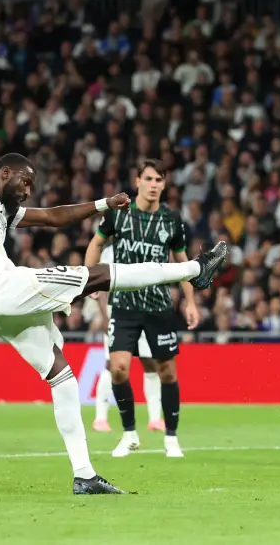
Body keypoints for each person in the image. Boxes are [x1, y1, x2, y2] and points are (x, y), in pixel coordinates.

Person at [0, 153, 227, 494]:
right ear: (4, 173)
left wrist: (104, 204)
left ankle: (84, 475)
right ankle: (195, 270)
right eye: (25, 181)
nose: (28, 189)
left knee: (62, 377)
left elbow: (55, 217)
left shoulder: (1, 209)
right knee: (98, 275)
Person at [85, 160, 200, 458]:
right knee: (119, 370)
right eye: (148, 178)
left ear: (164, 184)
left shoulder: (171, 219)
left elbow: (182, 262)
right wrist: (90, 279)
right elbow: (96, 244)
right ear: (137, 181)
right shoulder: (119, 213)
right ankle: (129, 434)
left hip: (159, 306)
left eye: (159, 179)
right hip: (123, 305)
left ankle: (171, 438)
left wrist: (190, 301)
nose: (153, 184)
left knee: (167, 373)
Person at [91, 238, 167, 435]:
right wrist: (105, 316)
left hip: (144, 311)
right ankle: (100, 418)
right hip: (117, 313)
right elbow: (102, 286)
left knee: (150, 362)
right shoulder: (110, 251)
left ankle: (155, 418)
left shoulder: (146, 247)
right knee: (112, 364)